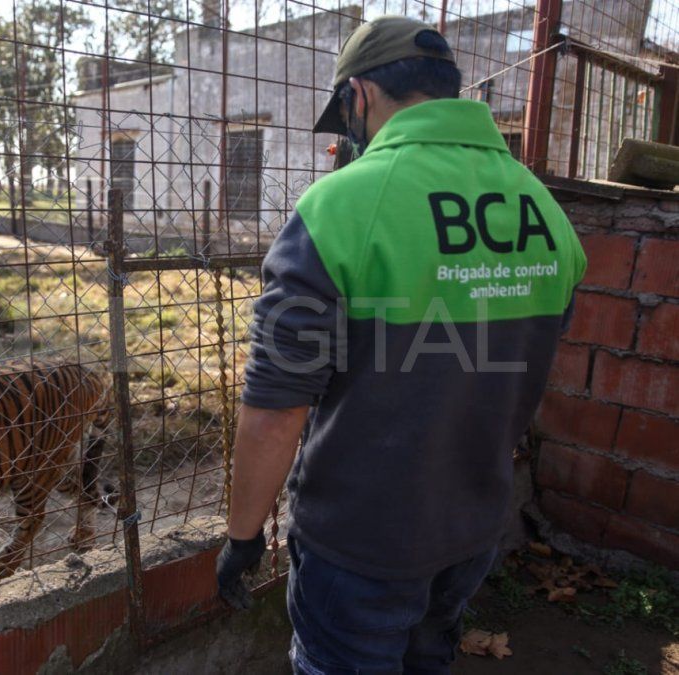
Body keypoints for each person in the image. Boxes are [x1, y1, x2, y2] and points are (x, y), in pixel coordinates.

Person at [215, 15, 586, 675]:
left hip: (359, 541)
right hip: (472, 526)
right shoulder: (545, 212)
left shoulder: (339, 208)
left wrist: (243, 536)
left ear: (358, 96)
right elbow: (521, 361)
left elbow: (275, 408)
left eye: (347, 115)